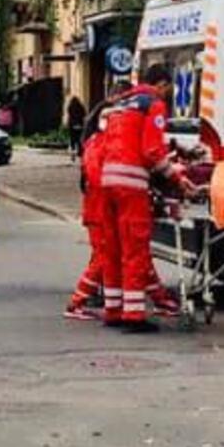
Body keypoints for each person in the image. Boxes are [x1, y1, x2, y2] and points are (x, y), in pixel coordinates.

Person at [97, 65, 190, 332]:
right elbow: (151, 151)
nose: (168, 96)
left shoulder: (123, 103)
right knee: (134, 248)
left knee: (112, 248)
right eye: (168, 90)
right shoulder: (154, 105)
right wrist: (176, 177)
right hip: (130, 184)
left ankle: (113, 310)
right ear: (161, 85)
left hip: (107, 181)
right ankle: (134, 316)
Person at [66, 105, 109, 321]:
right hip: (99, 210)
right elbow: (96, 177)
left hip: (101, 210)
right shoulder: (97, 144)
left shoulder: (99, 143)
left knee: (104, 256)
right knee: (103, 257)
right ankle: (76, 302)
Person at [65, 96, 88, 161]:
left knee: (72, 140)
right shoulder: (81, 107)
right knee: (79, 140)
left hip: (72, 125)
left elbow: (69, 115)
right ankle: (80, 152)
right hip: (80, 125)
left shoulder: (70, 107)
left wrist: (68, 123)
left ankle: (73, 152)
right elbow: (84, 115)